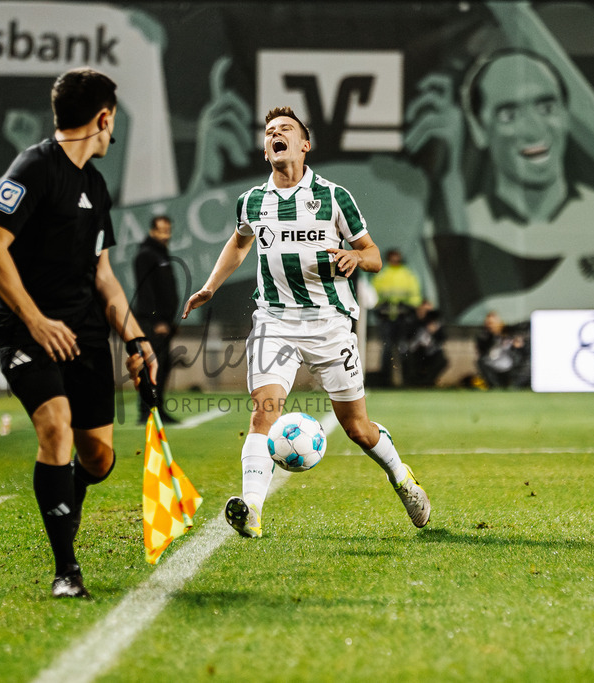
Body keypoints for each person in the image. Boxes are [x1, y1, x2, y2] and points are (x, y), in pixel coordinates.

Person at [183, 106, 431, 540]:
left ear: (304, 145)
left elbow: (373, 254)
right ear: (266, 150)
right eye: (269, 132)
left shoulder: (334, 197)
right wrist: (209, 287)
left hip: (330, 324)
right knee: (264, 412)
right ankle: (252, 509)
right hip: (274, 321)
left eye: (285, 129)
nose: (275, 134)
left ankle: (401, 477)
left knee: (357, 428)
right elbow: (239, 243)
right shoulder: (252, 201)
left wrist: (356, 257)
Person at [0, 67, 157, 599]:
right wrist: (35, 320)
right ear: (102, 119)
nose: (112, 130)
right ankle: (66, 570)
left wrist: (136, 340)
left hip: (85, 335)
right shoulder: (33, 167)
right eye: (113, 120)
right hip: (26, 331)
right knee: (55, 427)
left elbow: (103, 276)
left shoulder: (95, 186)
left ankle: (70, 488)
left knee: (99, 458)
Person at [404, 3, 594, 324]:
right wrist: (449, 180)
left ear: (567, 115)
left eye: (546, 107)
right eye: (509, 114)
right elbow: (461, 304)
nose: (534, 130)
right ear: (479, 128)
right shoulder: (456, 227)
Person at [132, 214, 180, 424]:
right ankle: (146, 410)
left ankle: (157, 408)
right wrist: (157, 321)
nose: (165, 235)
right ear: (152, 231)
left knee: (163, 366)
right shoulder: (146, 255)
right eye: (161, 231)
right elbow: (146, 292)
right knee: (152, 366)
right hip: (152, 323)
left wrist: (169, 320)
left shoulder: (161, 254)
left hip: (163, 323)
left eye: (167, 230)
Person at [371, 248, 422, 386]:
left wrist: (409, 308)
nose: (395, 260)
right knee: (387, 348)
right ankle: (385, 381)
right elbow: (374, 295)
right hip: (386, 317)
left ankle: (407, 380)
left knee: (403, 348)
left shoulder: (407, 274)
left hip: (402, 317)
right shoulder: (383, 274)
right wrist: (379, 307)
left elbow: (415, 295)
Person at [475, 311, 530, 389]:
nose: (490, 326)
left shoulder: (512, 333)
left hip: (512, 367)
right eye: (487, 323)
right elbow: (482, 353)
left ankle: (515, 386)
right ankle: (495, 387)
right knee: (481, 362)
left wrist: (517, 345)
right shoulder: (486, 338)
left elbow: (523, 352)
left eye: (492, 323)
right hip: (495, 367)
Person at [404, 301, 448, 387]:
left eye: (429, 311)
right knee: (408, 358)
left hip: (430, 351)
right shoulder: (412, 320)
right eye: (425, 310)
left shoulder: (436, 322)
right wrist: (420, 320)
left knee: (442, 360)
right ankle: (413, 383)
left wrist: (435, 332)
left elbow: (442, 338)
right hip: (415, 351)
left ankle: (427, 382)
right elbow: (407, 336)